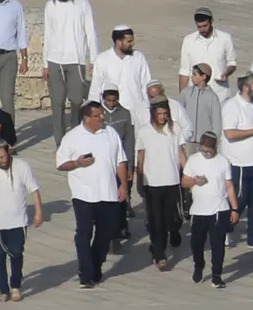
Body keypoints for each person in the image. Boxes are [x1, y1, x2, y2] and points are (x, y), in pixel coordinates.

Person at [56, 101, 130, 288]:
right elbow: (61, 164)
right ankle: (85, 273)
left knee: (107, 233)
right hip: (83, 194)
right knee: (83, 233)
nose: (102, 118)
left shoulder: (110, 133)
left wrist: (123, 186)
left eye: (102, 115)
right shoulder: (72, 137)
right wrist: (77, 164)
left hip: (108, 193)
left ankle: (96, 265)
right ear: (86, 118)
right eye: (98, 116)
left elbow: (121, 161)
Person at [0, 139, 43, 302]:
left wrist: (39, 212)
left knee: (17, 253)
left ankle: (16, 285)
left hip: (18, 221)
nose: (1, 161)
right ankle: (3, 289)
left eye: (3, 157)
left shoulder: (22, 167)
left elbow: (34, 190)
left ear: (9, 152)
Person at [42, 0, 99, 145]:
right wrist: (45, 63)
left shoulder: (82, 4)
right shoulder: (50, 6)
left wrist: (93, 59)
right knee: (57, 103)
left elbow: (90, 31)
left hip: (76, 60)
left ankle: (75, 136)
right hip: (55, 60)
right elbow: (48, 34)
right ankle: (60, 142)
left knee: (76, 100)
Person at [181, 132, 239, 288]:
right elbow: (184, 182)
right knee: (196, 243)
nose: (206, 153)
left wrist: (234, 208)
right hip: (198, 210)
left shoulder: (223, 161)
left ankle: (216, 275)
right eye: (203, 150)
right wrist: (194, 181)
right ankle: (198, 265)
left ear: (215, 148)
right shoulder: (193, 160)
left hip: (219, 209)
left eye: (209, 151)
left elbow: (229, 186)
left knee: (218, 244)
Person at [136, 99, 187, 270]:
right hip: (152, 182)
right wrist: (139, 180)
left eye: (165, 114)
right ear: (153, 114)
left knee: (168, 219)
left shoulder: (176, 129)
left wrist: (188, 174)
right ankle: (160, 254)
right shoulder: (144, 131)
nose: (163, 117)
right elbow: (141, 158)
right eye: (159, 114)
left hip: (172, 181)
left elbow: (181, 154)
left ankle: (158, 247)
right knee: (155, 220)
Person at [222, 73, 253, 250]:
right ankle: (226, 228)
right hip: (239, 162)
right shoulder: (232, 106)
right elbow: (230, 133)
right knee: (240, 199)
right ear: (245, 87)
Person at [88, 25, 152, 114]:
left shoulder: (139, 57)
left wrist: (149, 108)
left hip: (137, 111)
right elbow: (96, 88)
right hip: (111, 113)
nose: (132, 44)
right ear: (118, 42)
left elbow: (146, 85)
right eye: (129, 41)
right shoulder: (102, 59)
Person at [101, 88, 136, 243]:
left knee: (122, 196)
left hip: (120, 162)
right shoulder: (98, 114)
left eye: (114, 100)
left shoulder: (125, 114)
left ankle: (122, 226)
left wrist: (130, 166)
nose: (111, 103)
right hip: (103, 163)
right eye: (108, 100)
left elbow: (129, 141)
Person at [178, 7, 237, 99]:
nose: (202, 30)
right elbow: (184, 71)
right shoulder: (188, 40)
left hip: (220, 94)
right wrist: (182, 97)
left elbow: (232, 62)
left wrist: (226, 73)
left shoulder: (225, 38)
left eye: (205, 26)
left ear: (211, 21)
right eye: (199, 27)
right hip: (195, 95)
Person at [180, 63, 223, 155]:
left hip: (204, 143)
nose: (192, 77)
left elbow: (216, 123)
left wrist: (213, 142)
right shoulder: (186, 93)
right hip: (187, 141)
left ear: (204, 76)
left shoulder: (212, 97)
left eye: (195, 75)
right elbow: (178, 114)